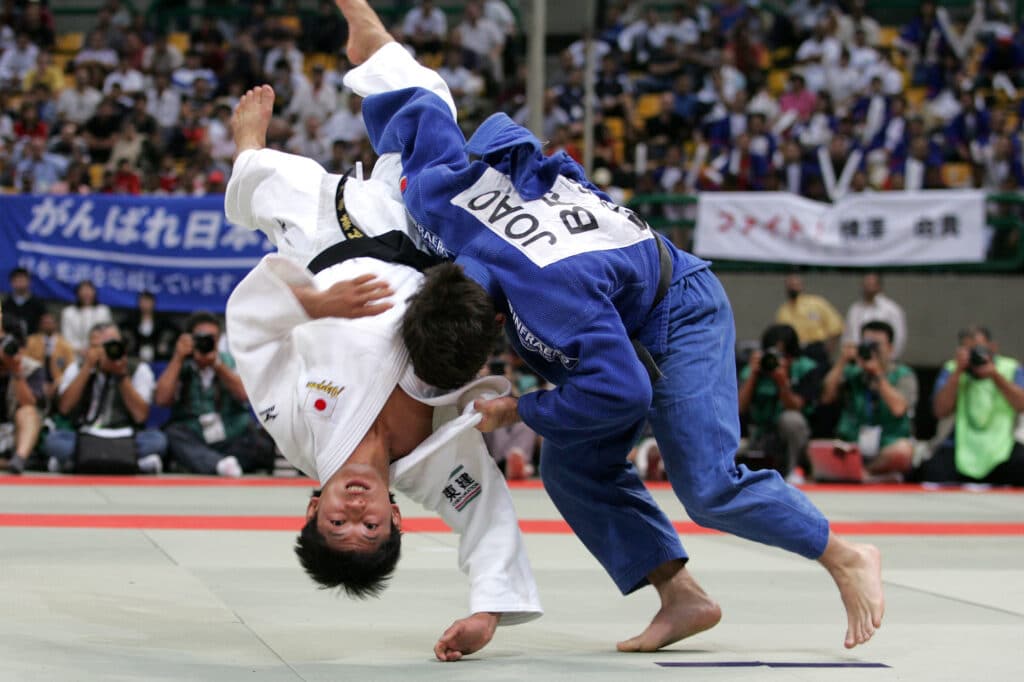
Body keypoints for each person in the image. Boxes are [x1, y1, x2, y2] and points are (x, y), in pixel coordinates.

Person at [338, 0, 883, 652]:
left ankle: (844, 555)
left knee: (706, 486)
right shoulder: (437, 191)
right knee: (572, 472)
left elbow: (623, 392)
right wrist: (360, 22)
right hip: (611, 302)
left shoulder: (547, 304)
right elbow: (409, 88)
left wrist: (521, 406)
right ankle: (682, 598)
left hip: (677, 309)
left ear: (498, 326)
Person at [224, 81, 541, 660]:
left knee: (268, 181)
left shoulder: (296, 430)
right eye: (370, 529)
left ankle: (249, 147)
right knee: (426, 94)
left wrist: (314, 306)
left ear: (313, 508)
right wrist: (488, 612)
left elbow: (251, 337)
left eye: (337, 526)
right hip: (420, 248)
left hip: (321, 249)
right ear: (395, 516)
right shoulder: (430, 464)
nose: (354, 515)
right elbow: (485, 511)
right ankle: (375, 48)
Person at [153, 313, 271, 478]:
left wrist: (217, 365)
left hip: (231, 433)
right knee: (172, 435)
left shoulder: (231, 361)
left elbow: (246, 396)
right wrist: (178, 357)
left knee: (258, 442)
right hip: (194, 434)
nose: (205, 342)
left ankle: (208, 463)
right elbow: (161, 399)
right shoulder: (181, 364)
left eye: (211, 338)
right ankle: (219, 464)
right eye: (200, 337)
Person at [47, 322, 167, 474]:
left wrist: (122, 375)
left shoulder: (138, 369)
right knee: (54, 441)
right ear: (90, 348)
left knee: (158, 440)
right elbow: (64, 407)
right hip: (85, 434)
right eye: (99, 346)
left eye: (111, 345)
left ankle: (75, 462)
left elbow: (141, 416)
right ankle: (134, 463)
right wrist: (87, 368)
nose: (106, 351)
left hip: (125, 436)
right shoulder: (77, 368)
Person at [920, 326, 1024, 486]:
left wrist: (995, 375)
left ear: (993, 348)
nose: (974, 355)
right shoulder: (951, 368)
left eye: (978, 349)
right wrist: (957, 373)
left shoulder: (1010, 368)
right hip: (959, 445)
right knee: (932, 471)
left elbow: (1021, 404)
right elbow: (940, 411)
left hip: (1003, 446)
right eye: (968, 350)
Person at [820, 321, 916, 478]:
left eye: (876, 345)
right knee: (818, 450)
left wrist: (877, 374)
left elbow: (898, 408)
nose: (872, 350)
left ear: (890, 348)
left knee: (903, 451)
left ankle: (866, 473)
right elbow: (826, 396)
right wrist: (842, 361)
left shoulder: (903, 375)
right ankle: (869, 476)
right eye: (867, 344)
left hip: (886, 445)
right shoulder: (853, 373)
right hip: (852, 446)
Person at [738, 324, 820, 481]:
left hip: (795, 438)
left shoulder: (806, 368)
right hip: (759, 433)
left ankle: (795, 469)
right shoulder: (754, 369)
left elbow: (795, 407)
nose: (776, 360)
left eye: (782, 354)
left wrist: (782, 382)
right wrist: (753, 376)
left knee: (791, 420)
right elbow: (740, 407)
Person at [0, 302, 44, 475]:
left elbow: (28, 403)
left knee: (27, 411)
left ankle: (18, 460)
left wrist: (16, 371)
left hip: (15, 434)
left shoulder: (31, 367)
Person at [775, 273, 844, 365]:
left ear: (802, 286)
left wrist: (827, 350)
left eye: (796, 285)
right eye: (790, 285)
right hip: (794, 353)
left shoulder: (816, 303)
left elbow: (836, 327)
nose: (793, 288)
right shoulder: (783, 311)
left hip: (816, 349)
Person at [842, 272, 908, 360]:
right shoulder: (855, 309)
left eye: (871, 284)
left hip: (883, 361)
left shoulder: (891, 309)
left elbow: (899, 337)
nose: (868, 287)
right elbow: (848, 336)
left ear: (879, 286)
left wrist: (889, 359)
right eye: (865, 284)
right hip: (857, 361)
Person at [24, 311, 75, 407]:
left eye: (50, 323)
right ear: (40, 325)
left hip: (57, 383)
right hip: (35, 381)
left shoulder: (65, 345)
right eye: (44, 323)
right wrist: (40, 383)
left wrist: (56, 383)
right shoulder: (30, 342)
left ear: (56, 324)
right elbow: (25, 363)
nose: (47, 325)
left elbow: (70, 368)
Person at [60, 280, 113, 359]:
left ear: (95, 292)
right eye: (83, 290)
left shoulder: (103, 311)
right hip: (74, 354)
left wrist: (95, 349)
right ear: (77, 293)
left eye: (89, 290)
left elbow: (108, 335)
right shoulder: (68, 312)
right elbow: (66, 337)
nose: (86, 293)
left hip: (99, 353)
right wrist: (80, 350)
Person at [121, 291, 177, 364]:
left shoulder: (162, 321)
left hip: (158, 359)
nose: (145, 305)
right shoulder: (131, 320)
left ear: (153, 303)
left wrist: (164, 343)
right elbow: (121, 330)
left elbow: (174, 331)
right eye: (143, 301)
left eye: (148, 301)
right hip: (135, 358)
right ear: (139, 303)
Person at [3, 267, 47, 335]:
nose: (19, 284)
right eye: (16, 281)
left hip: (33, 341)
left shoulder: (38, 303)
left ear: (29, 282)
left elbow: (44, 325)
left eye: (22, 280)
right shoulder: (6, 304)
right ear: (11, 283)